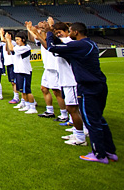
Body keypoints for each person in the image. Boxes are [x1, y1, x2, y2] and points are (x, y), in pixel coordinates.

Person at [46, 22, 117, 164]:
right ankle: (110, 150)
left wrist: (48, 33)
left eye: (70, 31)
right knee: (99, 119)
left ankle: (99, 154)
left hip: (88, 86)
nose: (69, 33)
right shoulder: (89, 44)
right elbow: (61, 46)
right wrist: (54, 35)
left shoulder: (79, 45)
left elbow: (52, 48)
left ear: (76, 32)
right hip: (99, 84)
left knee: (91, 120)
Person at [6, 32, 37, 114]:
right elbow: (10, 50)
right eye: (15, 39)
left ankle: (33, 107)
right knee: (22, 90)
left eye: (18, 39)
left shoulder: (25, 47)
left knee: (27, 90)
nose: (16, 41)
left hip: (24, 71)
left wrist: (8, 39)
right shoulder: (18, 47)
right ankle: (27, 105)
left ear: (23, 39)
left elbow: (12, 49)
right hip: (18, 70)